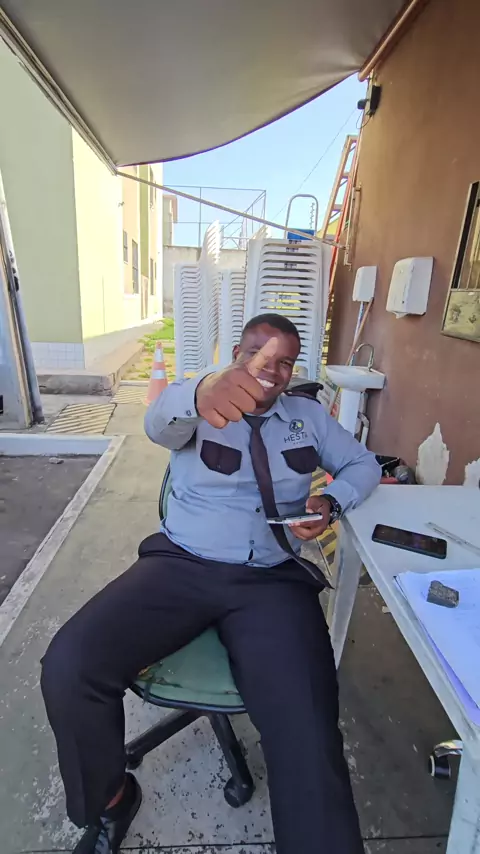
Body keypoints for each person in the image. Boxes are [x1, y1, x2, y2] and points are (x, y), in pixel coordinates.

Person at [41, 313, 381, 854]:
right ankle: (111, 801)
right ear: (236, 355)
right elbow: (157, 424)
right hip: (181, 566)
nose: (270, 370)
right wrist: (201, 392)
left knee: (309, 730)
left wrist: (331, 502)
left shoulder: (309, 418)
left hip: (270, 580)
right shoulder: (198, 402)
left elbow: (364, 464)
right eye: (257, 354)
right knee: (70, 665)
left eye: (285, 362)